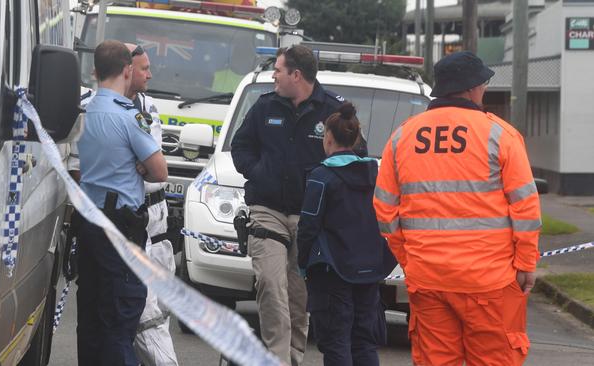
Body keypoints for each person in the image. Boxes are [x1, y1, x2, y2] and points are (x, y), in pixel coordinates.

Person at [373, 51, 541, 366]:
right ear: (470, 87)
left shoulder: (403, 136)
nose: (485, 88)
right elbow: (525, 208)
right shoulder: (499, 135)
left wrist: (410, 258)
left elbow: (384, 208)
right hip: (489, 280)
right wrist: (526, 263)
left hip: (429, 278)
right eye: (484, 82)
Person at [230, 45, 347, 366]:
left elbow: (351, 157)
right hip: (267, 210)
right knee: (269, 282)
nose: (274, 76)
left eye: (278, 70)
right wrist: (258, 172)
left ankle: (294, 357)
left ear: (296, 75)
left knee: (298, 295)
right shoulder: (265, 106)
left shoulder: (333, 110)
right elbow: (240, 147)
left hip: (311, 218)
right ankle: (275, 359)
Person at [76, 39, 168, 366]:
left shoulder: (84, 110)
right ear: (128, 70)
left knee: (90, 317)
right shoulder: (130, 117)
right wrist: (138, 162)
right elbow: (159, 172)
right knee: (120, 317)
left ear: (95, 71)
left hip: (87, 221)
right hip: (120, 228)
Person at [297, 103, 396, 366]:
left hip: (333, 271)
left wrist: (303, 263)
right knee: (364, 340)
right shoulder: (376, 173)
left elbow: (308, 226)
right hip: (370, 269)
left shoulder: (321, 176)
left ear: (328, 138)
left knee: (336, 341)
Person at [124, 42, 179, 366]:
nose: (150, 74)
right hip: (127, 221)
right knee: (142, 315)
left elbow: (153, 164)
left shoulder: (148, 108)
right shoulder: (92, 104)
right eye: (144, 68)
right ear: (126, 70)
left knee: (157, 312)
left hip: (155, 224)